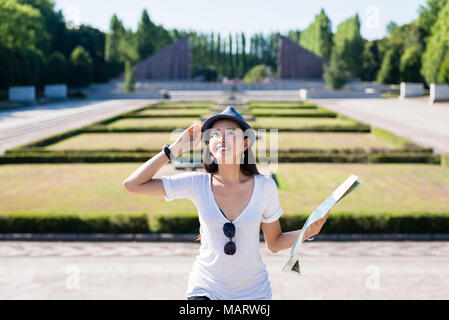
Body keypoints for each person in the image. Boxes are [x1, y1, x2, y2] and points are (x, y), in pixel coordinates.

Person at [123, 106, 329, 300]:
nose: (221, 139)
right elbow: (133, 184)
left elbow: (274, 243)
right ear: (208, 145)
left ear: (246, 143)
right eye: (214, 134)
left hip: (254, 293)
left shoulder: (265, 187)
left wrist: (308, 231)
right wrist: (173, 150)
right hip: (205, 288)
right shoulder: (197, 182)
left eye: (231, 133)